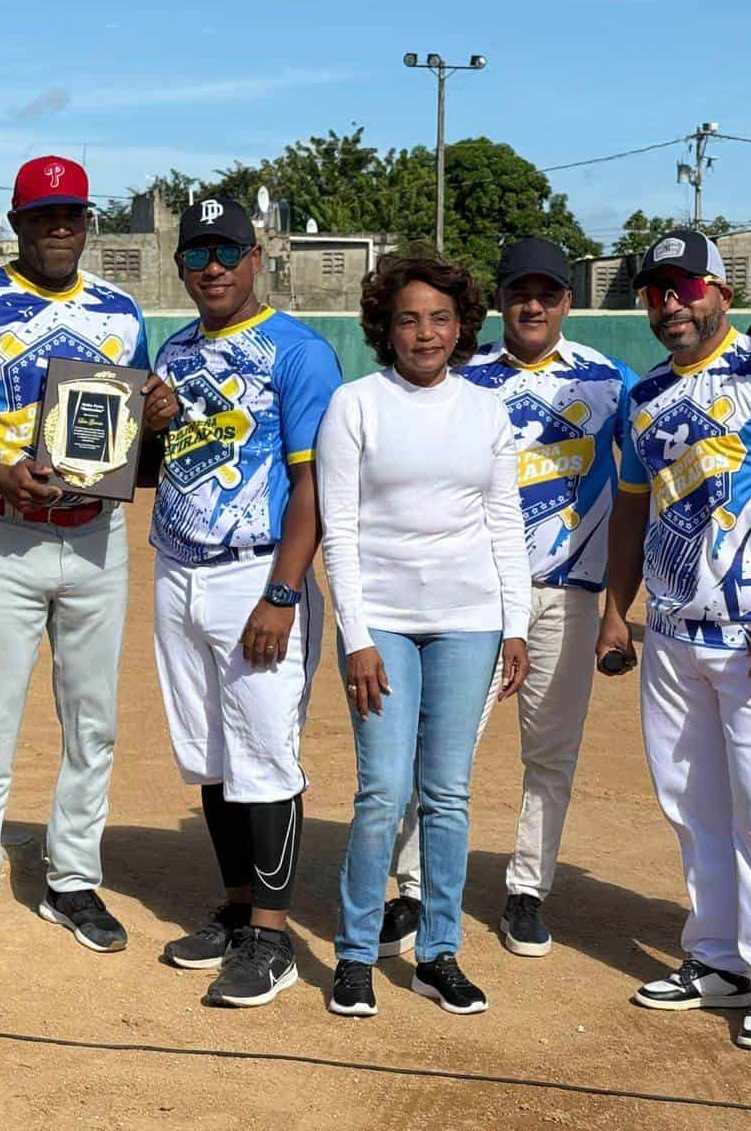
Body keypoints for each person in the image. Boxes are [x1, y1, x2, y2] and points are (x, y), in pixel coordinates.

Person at [0, 156, 172, 964]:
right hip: (0, 531)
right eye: (44, 214)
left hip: (94, 537)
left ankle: (71, 879)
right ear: (16, 224)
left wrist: (160, 413)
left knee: (93, 720)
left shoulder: (120, 314)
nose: (60, 227)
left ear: (89, 224)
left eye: (74, 214)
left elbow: (135, 429)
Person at [596, 229, 751, 1052]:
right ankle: (718, 956)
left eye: (686, 288)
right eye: (658, 291)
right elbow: (632, 508)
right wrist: (613, 609)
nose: (671, 305)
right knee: (693, 802)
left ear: (721, 293)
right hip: (669, 635)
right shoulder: (646, 393)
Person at [379, 237, 635, 961]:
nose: (533, 305)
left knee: (550, 752)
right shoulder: (465, 376)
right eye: (520, 292)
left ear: (566, 301)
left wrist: (619, 606)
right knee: (444, 746)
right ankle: (413, 887)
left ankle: (527, 889)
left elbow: (646, 479)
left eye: (548, 294)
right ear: (498, 300)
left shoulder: (608, 379)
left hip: (568, 590)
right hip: (477, 596)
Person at [320, 253, 531, 1018]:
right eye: (408, 318)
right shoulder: (355, 404)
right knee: (382, 789)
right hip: (382, 627)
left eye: (440, 318)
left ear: (461, 326)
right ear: (386, 326)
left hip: (470, 622)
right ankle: (351, 956)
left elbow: (504, 521)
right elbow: (336, 530)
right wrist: (356, 637)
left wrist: (515, 624)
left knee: (447, 793)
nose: (425, 332)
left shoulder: (486, 411)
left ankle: (439, 951)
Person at [151, 197, 341, 1008]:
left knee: (264, 755)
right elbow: (160, 464)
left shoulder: (297, 352)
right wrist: (152, 427)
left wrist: (283, 592)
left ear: (255, 256)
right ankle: (235, 908)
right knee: (210, 753)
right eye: (197, 255)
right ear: (182, 267)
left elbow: (315, 483)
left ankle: (272, 935)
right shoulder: (176, 347)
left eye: (227, 251)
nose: (213, 268)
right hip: (177, 567)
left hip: (256, 572)